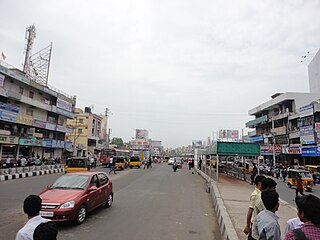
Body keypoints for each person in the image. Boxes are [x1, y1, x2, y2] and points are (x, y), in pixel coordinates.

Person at [243, 175, 266, 240]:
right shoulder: (255, 194)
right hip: (255, 223)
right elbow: (250, 210)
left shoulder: (261, 193)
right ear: (259, 183)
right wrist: (247, 226)